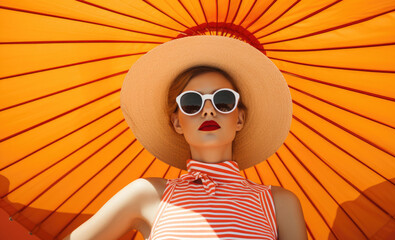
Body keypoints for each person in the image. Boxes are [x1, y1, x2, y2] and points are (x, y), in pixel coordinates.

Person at [64, 36, 307, 240]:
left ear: (240, 118)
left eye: (223, 100)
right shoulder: (149, 194)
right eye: (192, 103)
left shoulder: (279, 204)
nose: (209, 110)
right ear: (177, 122)